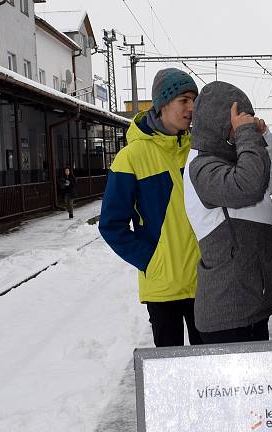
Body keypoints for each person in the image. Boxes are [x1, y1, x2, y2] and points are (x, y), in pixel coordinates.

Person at [99, 68, 203, 347]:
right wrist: (151, 261)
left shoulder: (199, 150)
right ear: (163, 104)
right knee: (171, 373)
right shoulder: (131, 158)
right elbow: (111, 225)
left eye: (194, 100)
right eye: (184, 100)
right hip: (162, 288)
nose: (191, 108)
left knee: (208, 373)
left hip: (204, 281)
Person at [184, 81, 272, 343]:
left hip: (250, 304)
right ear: (219, 124)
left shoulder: (231, 159)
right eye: (238, 122)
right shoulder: (201, 167)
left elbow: (268, 183)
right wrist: (247, 136)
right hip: (227, 313)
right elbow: (249, 186)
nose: (243, 127)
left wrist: (263, 138)